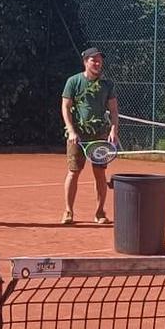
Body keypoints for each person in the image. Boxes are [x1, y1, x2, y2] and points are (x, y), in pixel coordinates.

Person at [61, 46, 119, 225]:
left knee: (100, 174)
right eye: (93, 60)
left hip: (99, 134)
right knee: (73, 172)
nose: (97, 62)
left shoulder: (107, 85)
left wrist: (113, 130)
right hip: (77, 136)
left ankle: (100, 213)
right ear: (85, 62)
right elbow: (65, 107)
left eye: (99, 60)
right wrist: (71, 130)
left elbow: (114, 110)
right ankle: (68, 212)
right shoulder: (73, 81)